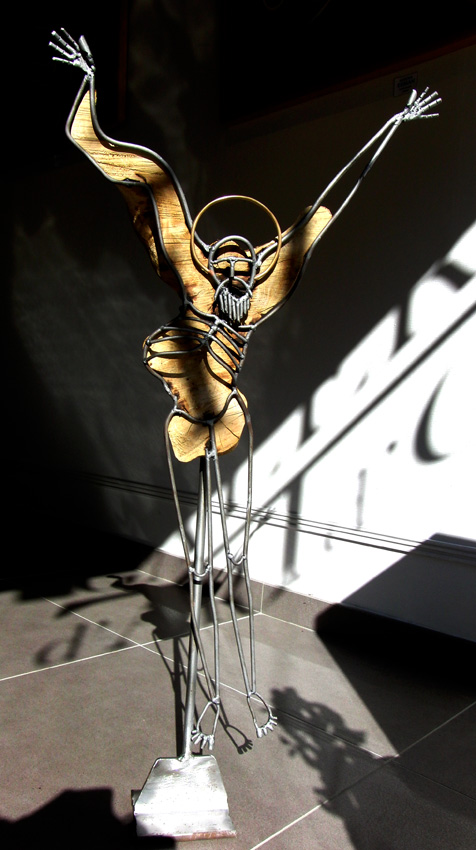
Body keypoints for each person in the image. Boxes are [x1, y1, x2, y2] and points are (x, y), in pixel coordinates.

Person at [50, 29, 440, 747]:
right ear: (209, 261)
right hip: (186, 397)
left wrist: (388, 124)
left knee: (230, 541)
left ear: (254, 270)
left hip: (230, 413)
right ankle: (198, 707)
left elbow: (321, 214)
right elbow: (146, 180)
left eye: (242, 267)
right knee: (197, 532)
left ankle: (245, 686)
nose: (232, 275)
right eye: (223, 263)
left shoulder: (259, 299)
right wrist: (90, 90)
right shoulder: (194, 279)